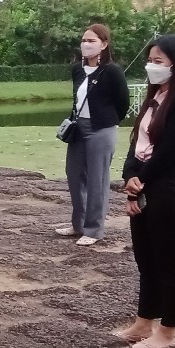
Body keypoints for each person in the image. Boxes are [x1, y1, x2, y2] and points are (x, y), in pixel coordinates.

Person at [114, 34, 175, 348]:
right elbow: (136, 144)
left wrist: (141, 180)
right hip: (143, 184)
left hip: (165, 187)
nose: (152, 66)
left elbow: (168, 153)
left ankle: (169, 330)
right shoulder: (155, 98)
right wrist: (129, 177)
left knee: (168, 259)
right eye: (150, 60)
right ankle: (144, 321)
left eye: (158, 61)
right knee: (146, 257)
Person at [57, 24, 129, 246]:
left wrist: (109, 121)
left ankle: (94, 229)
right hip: (79, 128)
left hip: (101, 129)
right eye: (84, 40)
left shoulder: (112, 71)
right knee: (74, 174)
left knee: (97, 179)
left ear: (104, 44)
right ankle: (78, 224)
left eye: (91, 41)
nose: (86, 44)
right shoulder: (77, 70)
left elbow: (123, 104)